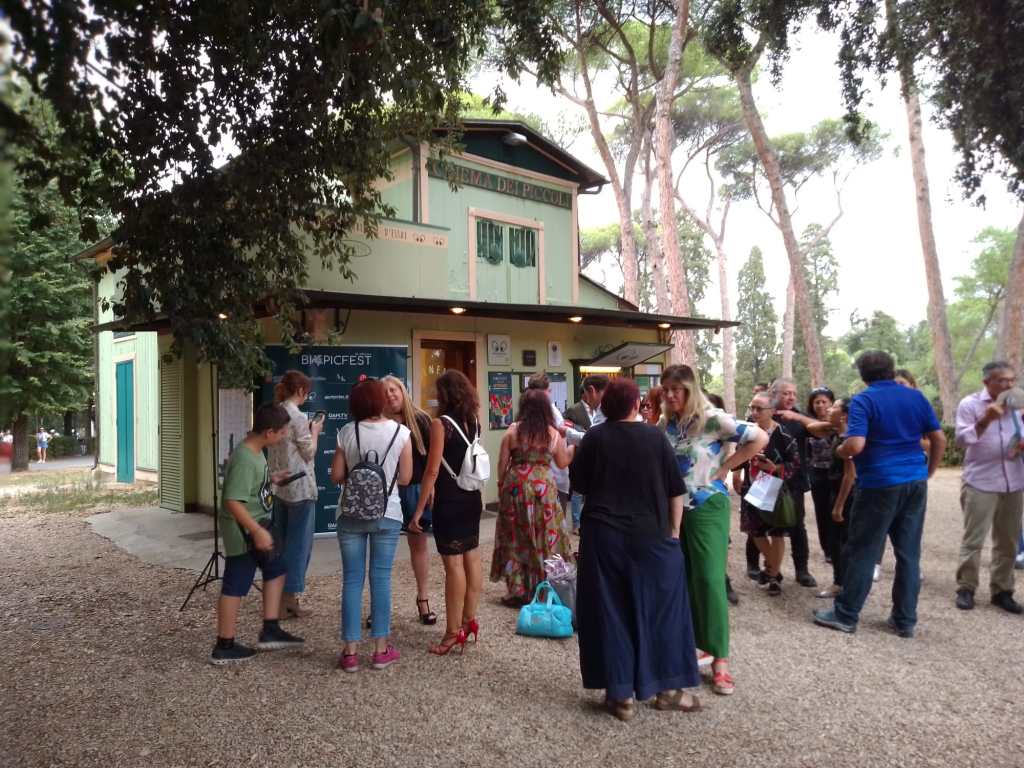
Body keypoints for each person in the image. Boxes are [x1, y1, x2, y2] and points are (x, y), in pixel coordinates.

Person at [572, 377, 701, 721]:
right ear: (634, 405)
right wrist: (674, 533)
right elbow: (676, 490)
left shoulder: (594, 438)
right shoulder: (655, 437)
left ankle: (620, 696)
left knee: (609, 610)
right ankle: (668, 689)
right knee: (662, 610)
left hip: (603, 537)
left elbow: (579, 485)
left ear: (605, 406)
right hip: (651, 536)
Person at [813, 351, 946, 638]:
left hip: (878, 483)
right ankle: (905, 620)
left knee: (863, 550)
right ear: (891, 370)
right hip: (914, 481)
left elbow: (855, 445)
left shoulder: (865, 400)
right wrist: (928, 472)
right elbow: (939, 438)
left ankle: (845, 614)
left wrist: (840, 450)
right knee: (909, 553)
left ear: (863, 375)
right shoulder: (915, 397)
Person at [660, 364, 767, 695]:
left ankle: (720, 658)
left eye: (676, 389)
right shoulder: (668, 423)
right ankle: (694, 646)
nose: (670, 395)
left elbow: (759, 437)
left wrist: (726, 468)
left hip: (707, 507)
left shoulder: (712, 418)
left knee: (709, 579)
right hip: (673, 510)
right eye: (666, 389)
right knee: (684, 580)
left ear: (690, 389)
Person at [211, 403, 305, 665]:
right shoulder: (245, 459)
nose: (284, 436)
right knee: (235, 584)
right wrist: (255, 531)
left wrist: (270, 480)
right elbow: (232, 501)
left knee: (277, 568)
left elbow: (249, 486)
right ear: (269, 432)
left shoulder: (256, 452)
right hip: (244, 531)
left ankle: (270, 629)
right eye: (282, 432)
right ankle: (224, 645)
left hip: (257, 525)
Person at [331, 379, 412, 672]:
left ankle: (350, 653)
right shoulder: (401, 433)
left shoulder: (346, 432)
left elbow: (336, 475)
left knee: (352, 580)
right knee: (381, 579)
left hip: (350, 514)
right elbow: (405, 478)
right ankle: (380, 650)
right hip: (387, 514)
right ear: (380, 401)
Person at [410, 370, 484, 656]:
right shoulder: (474, 420)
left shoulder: (440, 424)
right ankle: (469, 620)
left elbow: (432, 470)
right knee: (472, 557)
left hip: (450, 500)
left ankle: (452, 632)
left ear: (444, 394)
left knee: (453, 565)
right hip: (472, 497)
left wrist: (418, 511)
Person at [492, 389, 575, 605]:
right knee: (546, 535)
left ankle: (518, 590)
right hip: (544, 490)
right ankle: (545, 586)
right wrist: (574, 447)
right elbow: (562, 462)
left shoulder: (513, 431)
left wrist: (501, 486)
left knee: (515, 537)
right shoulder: (553, 434)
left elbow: (502, 464)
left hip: (516, 488)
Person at [953, 361, 1024, 614]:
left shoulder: (1019, 405)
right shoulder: (970, 404)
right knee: (974, 538)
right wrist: (986, 419)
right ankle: (966, 588)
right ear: (986, 382)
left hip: (1015, 480)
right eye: (1002, 380)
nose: (1008, 385)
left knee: (1008, 540)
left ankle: (1002, 591)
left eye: (1011, 380)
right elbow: (961, 440)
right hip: (980, 481)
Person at [381, 375, 438, 625]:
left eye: (393, 390)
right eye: (385, 392)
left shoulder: (421, 419)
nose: (390, 395)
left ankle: (423, 600)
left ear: (402, 391)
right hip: (387, 492)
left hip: (415, 490)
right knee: (382, 551)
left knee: (419, 546)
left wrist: (431, 487)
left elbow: (433, 459)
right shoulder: (377, 422)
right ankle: (379, 605)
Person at [733, 393, 800, 597]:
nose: (754, 412)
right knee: (756, 531)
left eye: (759, 409)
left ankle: (772, 576)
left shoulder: (783, 434)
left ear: (772, 411)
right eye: (751, 408)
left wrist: (776, 468)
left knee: (777, 532)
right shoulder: (748, 431)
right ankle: (774, 570)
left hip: (774, 487)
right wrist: (735, 473)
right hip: (752, 486)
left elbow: (795, 463)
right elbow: (738, 455)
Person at [267, 370, 322, 619]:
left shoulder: (275, 413)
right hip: (300, 488)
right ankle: (288, 599)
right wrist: (315, 431)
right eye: (306, 392)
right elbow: (309, 452)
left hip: (280, 486)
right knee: (299, 546)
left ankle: (279, 598)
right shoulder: (298, 417)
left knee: (280, 543)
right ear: (300, 390)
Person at [769, 378, 829, 588]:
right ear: (774, 394)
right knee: (766, 526)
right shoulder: (763, 413)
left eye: (793, 393)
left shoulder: (799, 417)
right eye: (786, 393)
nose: (791, 397)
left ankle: (802, 570)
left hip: (794, 480)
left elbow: (821, 431)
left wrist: (798, 417)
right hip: (766, 479)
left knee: (797, 525)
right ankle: (769, 570)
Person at [815, 398, 856, 599]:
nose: (829, 409)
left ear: (844, 415)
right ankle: (842, 582)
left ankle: (842, 584)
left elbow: (850, 475)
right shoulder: (837, 434)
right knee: (835, 541)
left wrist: (839, 506)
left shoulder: (848, 440)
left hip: (846, 496)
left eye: (834, 407)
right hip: (835, 492)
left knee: (840, 542)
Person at [563, 375, 610, 533]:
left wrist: (567, 433)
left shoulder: (605, 409)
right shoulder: (578, 409)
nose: (588, 400)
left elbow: (594, 438)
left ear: (591, 390)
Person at [805, 387, 837, 562]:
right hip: (817, 473)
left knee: (838, 509)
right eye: (816, 402)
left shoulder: (839, 422)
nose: (820, 405)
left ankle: (840, 545)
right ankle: (828, 550)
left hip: (837, 473)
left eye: (824, 401)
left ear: (832, 403)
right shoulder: (808, 425)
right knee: (822, 512)